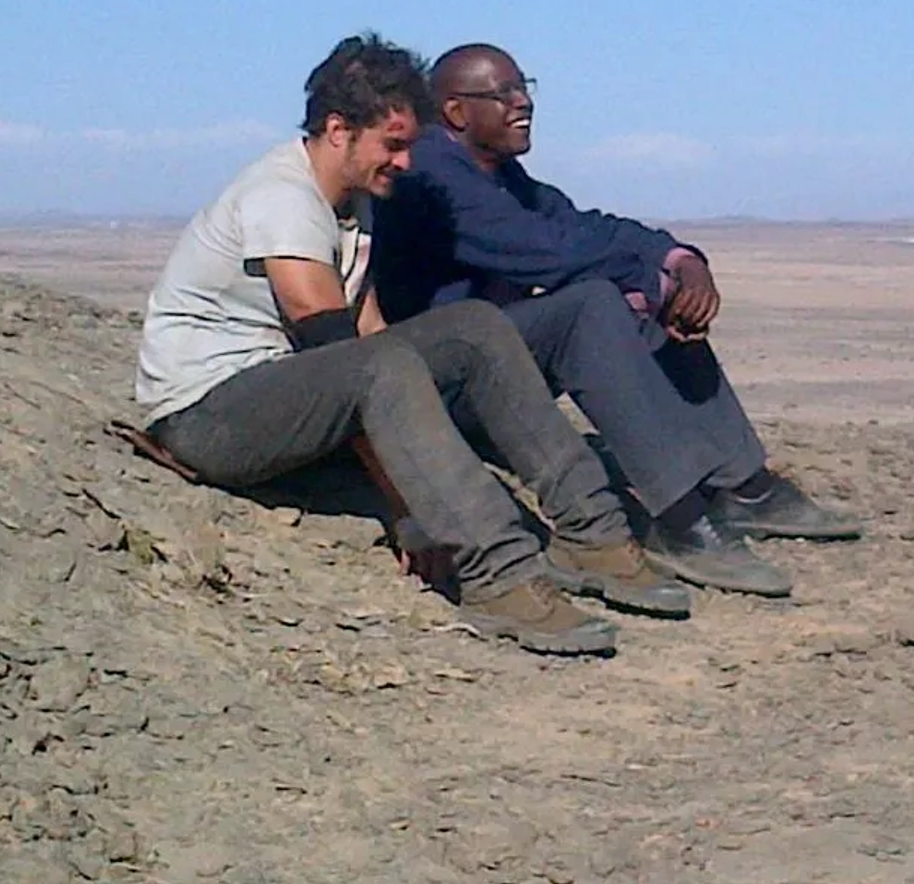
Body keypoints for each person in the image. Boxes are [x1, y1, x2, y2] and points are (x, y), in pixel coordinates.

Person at [133, 33, 690, 657]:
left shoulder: (351, 202)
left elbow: (369, 332)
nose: (405, 162)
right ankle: (497, 572)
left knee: (475, 328)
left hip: (283, 396)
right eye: (393, 145)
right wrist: (407, 510)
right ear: (339, 129)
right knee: (382, 367)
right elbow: (341, 358)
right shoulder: (282, 202)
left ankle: (594, 530)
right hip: (208, 417)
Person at [371, 42, 861, 598]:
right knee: (592, 303)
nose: (522, 102)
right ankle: (678, 519)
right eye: (502, 93)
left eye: (523, 86)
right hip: (441, 388)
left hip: (494, 363)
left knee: (640, 298)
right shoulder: (433, 178)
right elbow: (545, 251)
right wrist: (649, 279)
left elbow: (587, 226)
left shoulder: (500, 175)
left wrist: (677, 261)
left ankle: (742, 485)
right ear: (457, 113)